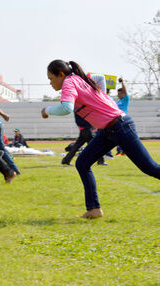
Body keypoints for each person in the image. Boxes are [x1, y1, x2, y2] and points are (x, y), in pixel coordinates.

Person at [41, 60, 159, 219]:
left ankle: (94, 208)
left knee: (149, 168)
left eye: (51, 78)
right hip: (108, 130)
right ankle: (94, 209)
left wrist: (46, 110)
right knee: (82, 163)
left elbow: (66, 108)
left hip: (120, 127)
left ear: (61, 74)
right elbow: (100, 78)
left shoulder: (69, 82)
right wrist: (101, 98)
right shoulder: (80, 78)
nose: (50, 83)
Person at [115, 77, 130, 156]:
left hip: (123, 119)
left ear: (123, 94)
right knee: (119, 135)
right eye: (117, 93)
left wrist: (122, 82)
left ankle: (122, 151)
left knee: (121, 135)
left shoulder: (125, 99)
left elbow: (125, 90)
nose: (118, 95)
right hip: (117, 119)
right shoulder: (118, 101)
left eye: (119, 93)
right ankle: (120, 151)